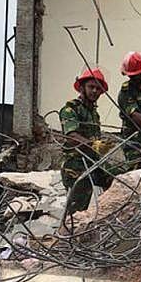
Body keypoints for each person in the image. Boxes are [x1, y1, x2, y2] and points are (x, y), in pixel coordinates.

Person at [59, 67, 114, 214]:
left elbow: (95, 139)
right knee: (77, 210)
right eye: (91, 87)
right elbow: (71, 136)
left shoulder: (94, 114)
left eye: (98, 88)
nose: (95, 91)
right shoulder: (70, 110)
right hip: (75, 166)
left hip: (93, 162)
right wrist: (94, 145)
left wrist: (104, 145)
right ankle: (69, 234)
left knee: (118, 178)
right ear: (82, 87)